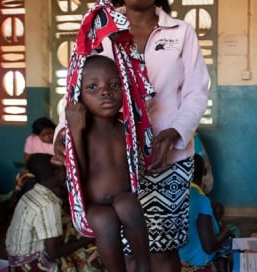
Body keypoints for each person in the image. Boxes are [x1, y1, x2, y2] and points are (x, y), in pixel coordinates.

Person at [52, 1, 209, 271]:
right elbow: (77, 87)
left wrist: (175, 132)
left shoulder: (181, 32)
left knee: (162, 251)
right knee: (122, 253)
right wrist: (62, 133)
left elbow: (196, 92)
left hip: (168, 160)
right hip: (114, 161)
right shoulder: (99, 30)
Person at [64, 54, 152, 272]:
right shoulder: (82, 132)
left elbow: (137, 166)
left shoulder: (127, 129)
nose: (105, 91)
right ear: (79, 96)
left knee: (127, 203)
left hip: (123, 198)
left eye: (114, 84)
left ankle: (144, 265)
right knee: (104, 220)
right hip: (93, 207)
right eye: (92, 87)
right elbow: (78, 177)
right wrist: (75, 131)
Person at [6, 154, 99, 271]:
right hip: (31, 265)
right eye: (64, 169)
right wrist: (90, 238)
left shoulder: (31, 193)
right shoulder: (48, 204)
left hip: (15, 261)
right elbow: (54, 253)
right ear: (58, 172)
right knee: (84, 258)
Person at [179, 154, 232, 271]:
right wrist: (225, 232)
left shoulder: (177, 194)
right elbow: (209, 247)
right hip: (197, 263)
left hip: (178, 258)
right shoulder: (201, 199)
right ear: (204, 172)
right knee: (233, 232)